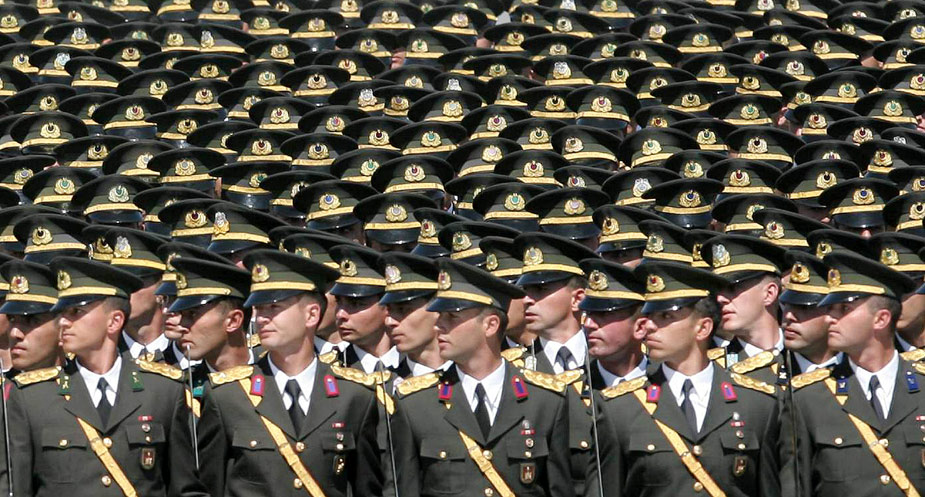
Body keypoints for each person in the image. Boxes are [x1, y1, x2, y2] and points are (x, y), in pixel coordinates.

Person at [191, 249, 383, 497]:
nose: (262, 318)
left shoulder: (354, 396)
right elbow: (208, 486)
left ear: (311, 314)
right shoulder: (227, 397)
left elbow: (366, 487)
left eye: (274, 307)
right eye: (259, 308)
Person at [1, 256, 197, 497]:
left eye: (76, 311)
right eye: (62, 312)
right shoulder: (32, 398)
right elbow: (15, 489)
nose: (63, 322)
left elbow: (184, 488)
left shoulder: (162, 390)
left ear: (114, 321)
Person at [588, 261, 782, 497]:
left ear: (703, 328)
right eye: (649, 315)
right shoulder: (621, 408)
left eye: (665, 316)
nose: (649, 326)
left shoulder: (758, 403)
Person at [389, 258, 572, 497]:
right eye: (439, 316)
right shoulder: (415, 405)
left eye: (451, 317)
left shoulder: (545, 401)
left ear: (490, 325)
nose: (438, 326)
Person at [784, 251, 925, 497]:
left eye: (844, 308)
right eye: (830, 308)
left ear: (881, 319)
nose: (830, 318)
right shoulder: (808, 398)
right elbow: (796, 487)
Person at [330, 244, 401, 374]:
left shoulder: (416, 368)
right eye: (338, 301)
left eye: (356, 304)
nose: (340, 314)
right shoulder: (330, 372)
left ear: (388, 307)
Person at [378, 252, 449, 380]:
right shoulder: (384, 387)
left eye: (402, 310)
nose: (389, 321)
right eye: (389, 310)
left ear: (438, 311)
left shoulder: (472, 383)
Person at [579, 258, 647, 389]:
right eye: (588, 313)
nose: (588, 324)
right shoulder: (570, 392)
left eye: (604, 314)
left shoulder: (668, 385)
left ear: (640, 327)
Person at [780, 252, 841, 374]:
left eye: (804, 308)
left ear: (834, 312)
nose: (789, 316)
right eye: (787, 305)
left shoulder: (862, 374)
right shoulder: (763, 376)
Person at [1, 260, 64, 375]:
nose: (14, 333)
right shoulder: (6, 386)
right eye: (11, 319)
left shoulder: (88, 383)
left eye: (32, 320)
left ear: (63, 327)